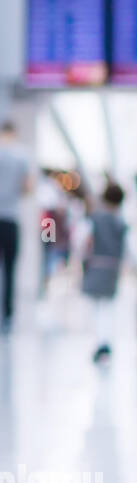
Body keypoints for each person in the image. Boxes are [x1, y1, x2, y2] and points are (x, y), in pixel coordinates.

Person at [76, 181, 134, 361]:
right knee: (108, 307)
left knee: (96, 307)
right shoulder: (121, 223)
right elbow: (130, 249)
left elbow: (81, 240)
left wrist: (81, 259)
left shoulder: (94, 218)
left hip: (95, 265)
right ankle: (105, 341)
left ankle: (100, 342)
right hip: (112, 269)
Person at [0, 121, 34, 333]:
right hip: (11, 218)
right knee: (10, 270)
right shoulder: (22, 155)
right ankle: (8, 316)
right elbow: (28, 187)